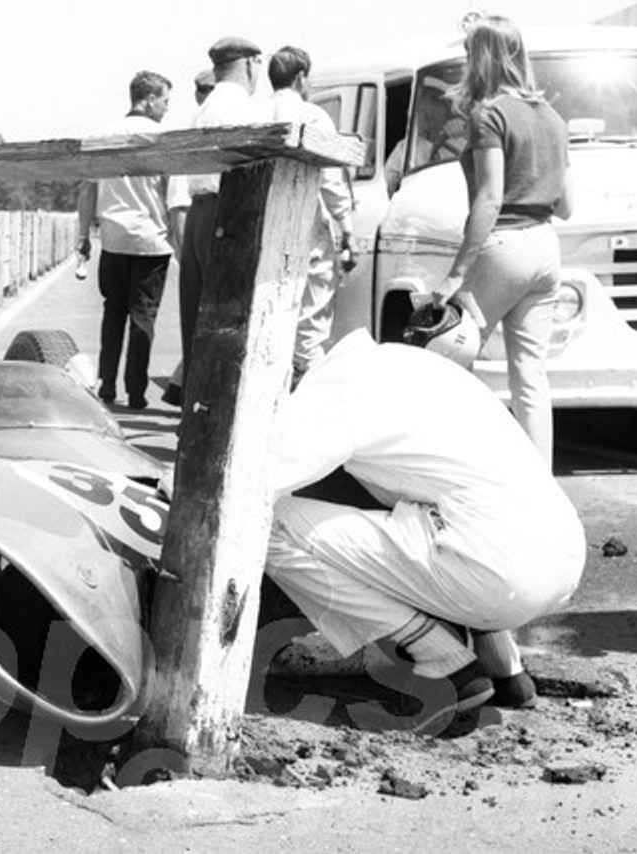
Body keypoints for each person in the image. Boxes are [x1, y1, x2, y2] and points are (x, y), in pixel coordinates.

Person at [263, 323, 584, 730]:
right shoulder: (410, 365)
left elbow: (255, 485)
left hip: (499, 569)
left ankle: (445, 663)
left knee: (266, 524)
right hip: (560, 554)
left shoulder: (331, 391)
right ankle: (505, 669)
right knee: (442, 505)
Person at [429, 15, 573, 467]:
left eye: (470, 52)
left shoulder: (488, 113)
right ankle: (538, 487)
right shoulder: (551, 117)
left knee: (450, 363)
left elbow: (489, 199)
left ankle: (455, 474)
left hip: (504, 246)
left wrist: (455, 274)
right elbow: (567, 206)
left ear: (484, 57)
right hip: (545, 248)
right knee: (531, 377)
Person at [76, 70, 183, 409]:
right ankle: (136, 391)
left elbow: (87, 189)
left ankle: (107, 385)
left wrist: (83, 237)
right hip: (152, 242)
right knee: (143, 317)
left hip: (113, 239)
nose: (167, 108)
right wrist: (182, 247)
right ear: (149, 99)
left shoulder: (103, 135)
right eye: (165, 100)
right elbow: (175, 199)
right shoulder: (167, 138)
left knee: (113, 313)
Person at [175, 37, 274, 399]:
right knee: (229, 321)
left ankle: (193, 409)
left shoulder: (203, 109)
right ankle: (221, 410)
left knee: (195, 322)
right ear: (250, 64)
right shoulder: (249, 109)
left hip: (199, 212)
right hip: (230, 212)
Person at [268, 45, 358, 385]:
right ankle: (309, 403)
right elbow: (331, 179)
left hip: (261, 231)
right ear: (301, 77)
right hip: (306, 231)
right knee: (309, 329)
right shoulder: (314, 116)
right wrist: (347, 230)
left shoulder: (255, 113)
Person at [162, 67, 216, 409]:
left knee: (200, 322)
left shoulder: (199, 121)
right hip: (201, 218)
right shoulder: (196, 125)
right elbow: (178, 202)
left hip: (203, 218)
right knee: (200, 321)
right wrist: (185, 256)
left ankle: (185, 392)